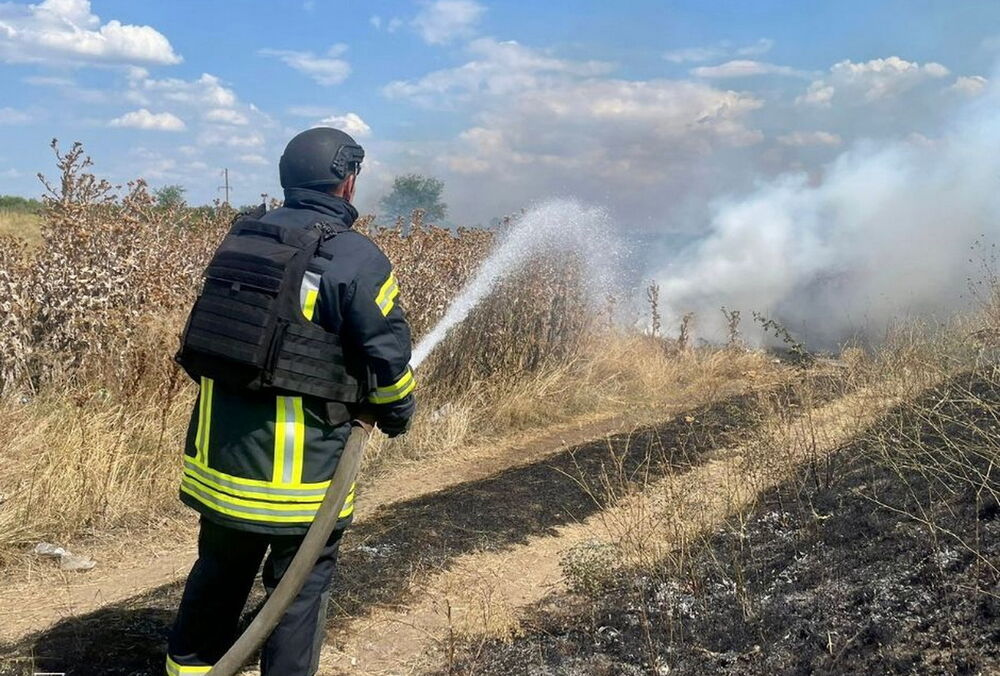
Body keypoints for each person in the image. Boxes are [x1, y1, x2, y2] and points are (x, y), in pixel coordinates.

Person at [166, 127, 416, 676]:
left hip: (218, 464)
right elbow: (388, 361)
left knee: (216, 577)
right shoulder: (355, 258)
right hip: (298, 481)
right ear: (347, 181)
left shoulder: (242, 238)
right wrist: (396, 413)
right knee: (296, 596)